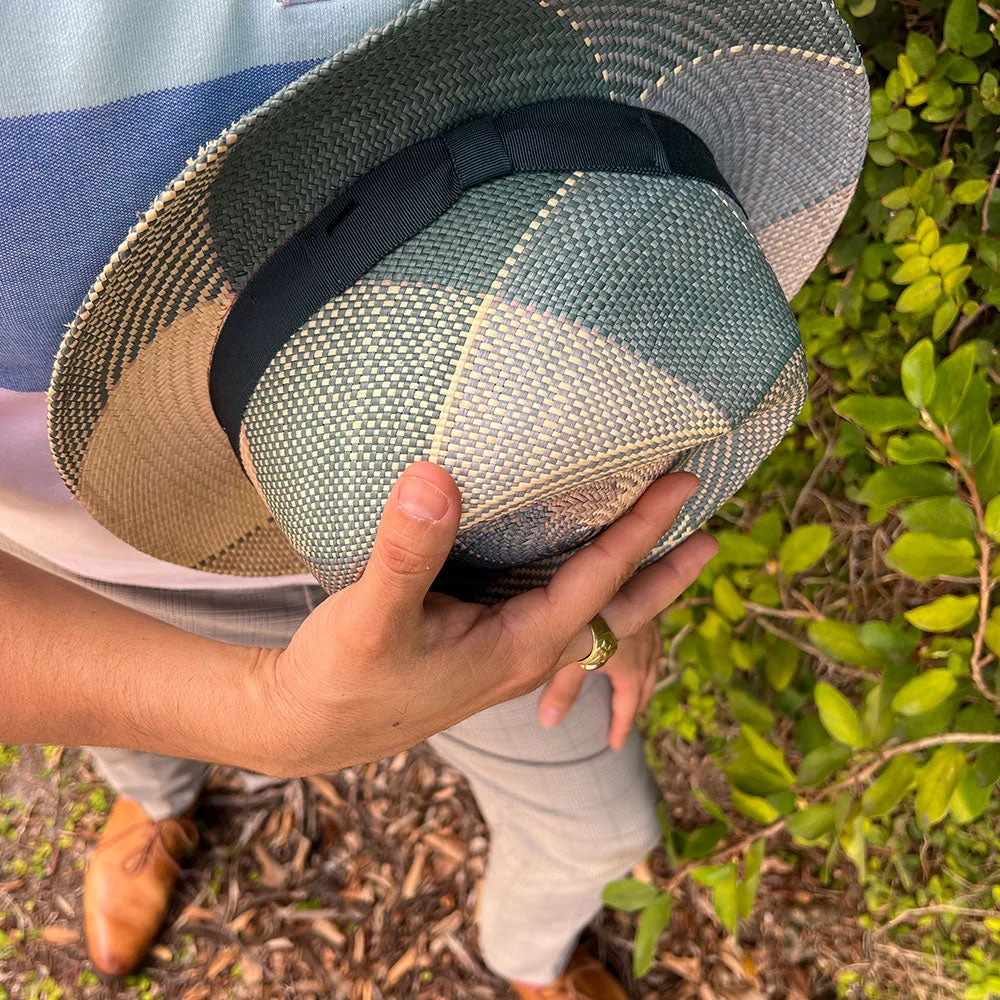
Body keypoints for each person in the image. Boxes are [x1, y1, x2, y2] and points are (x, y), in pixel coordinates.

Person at [2, 1, 868, 996]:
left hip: (506, 534)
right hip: (87, 557)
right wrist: (251, 714)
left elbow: (613, 265)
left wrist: (597, 540)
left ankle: (530, 957)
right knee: (128, 718)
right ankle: (157, 797)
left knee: (598, 826)